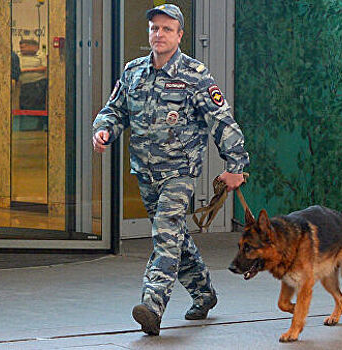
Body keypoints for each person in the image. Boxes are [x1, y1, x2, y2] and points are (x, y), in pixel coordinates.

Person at [92, 4, 249, 336]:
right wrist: (104, 129)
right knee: (175, 236)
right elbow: (115, 109)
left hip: (179, 172)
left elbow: (221, 121)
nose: (158, 34)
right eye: (154, 29)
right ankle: (204, 293)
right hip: (145, 173)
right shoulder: (133, 71)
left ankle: (152, 306)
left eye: (166, 29)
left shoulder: (195, 74)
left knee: (165, 235)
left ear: (180, 34)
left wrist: (236, 166)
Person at [18, 38, 47, 111]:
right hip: (23, 84)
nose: (22, 49)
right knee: (24, 105)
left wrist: (27, 70)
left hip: (38, 83)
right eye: (20, 47)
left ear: (31, 47)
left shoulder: (40, 55)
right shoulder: (18, 55)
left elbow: (44, 68)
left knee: (36, 106)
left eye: (23, 47)